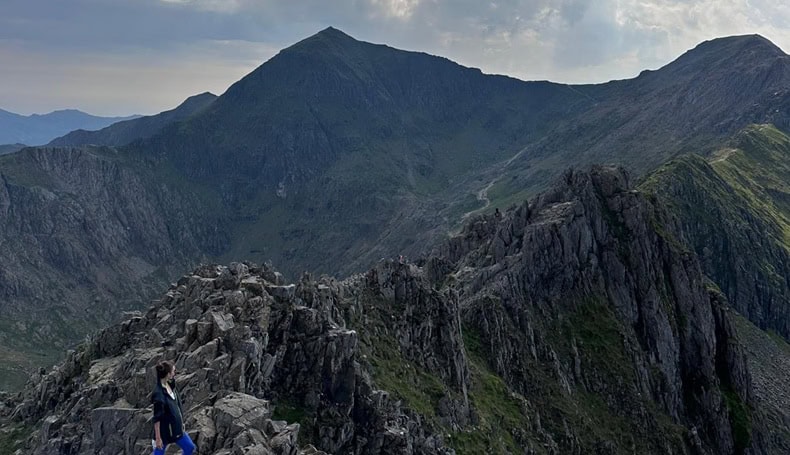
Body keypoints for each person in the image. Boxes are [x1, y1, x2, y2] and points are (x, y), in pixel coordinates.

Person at [151, 360, 195, 455]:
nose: (175, 373)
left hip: (177, 429)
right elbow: (157, 418)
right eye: (173, 371)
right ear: (168, 374)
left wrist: (181, 422)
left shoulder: (171, 385)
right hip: (164, 433)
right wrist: (158, 439)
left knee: (190, 447)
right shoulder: (158, 394)